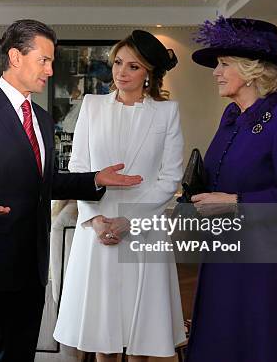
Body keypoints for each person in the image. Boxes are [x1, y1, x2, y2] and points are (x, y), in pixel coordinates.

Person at [0, 19, 143, 362]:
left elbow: (44, 182)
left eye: (52, 61)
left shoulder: (42, 119)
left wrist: (94, 180)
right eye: (43, 60)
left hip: (31, 270)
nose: (50, 69)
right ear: (15, 57)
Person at [185, 17, 277, 362]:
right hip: (222, 249)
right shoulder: (231, 114)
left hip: (261, 259)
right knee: (220, 334)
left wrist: (235, 202)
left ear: (252, 70)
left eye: (224, 64)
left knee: (257, 338)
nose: (216, 71)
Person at [53, 30, 185, 361]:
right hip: (97, 228)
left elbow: (170, 178)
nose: (121, 72)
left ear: (150, 73)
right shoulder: (92, 106)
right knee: (103, 336)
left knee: (141, 336)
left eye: (133, 66)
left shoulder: (167, 113)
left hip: (143, 226)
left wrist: (129, 219)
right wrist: (97, 220)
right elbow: (79, 168)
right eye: (117, 63)